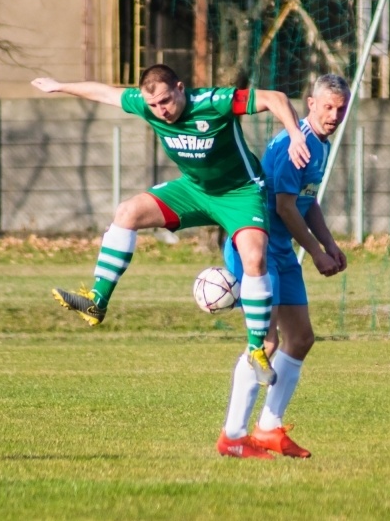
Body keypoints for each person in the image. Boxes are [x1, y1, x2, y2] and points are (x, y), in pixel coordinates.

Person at [31, 64, 310, 392]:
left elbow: (275, 98)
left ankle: (256, 350)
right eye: (153, 105)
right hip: (193, 190)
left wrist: (294, 135)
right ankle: (97, 301)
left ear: (180, 88)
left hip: (240, 193)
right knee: (127, 213)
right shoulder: (146, 104)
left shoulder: (213, 101)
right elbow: (104, 92)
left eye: (166, 100)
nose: (161, 110)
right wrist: (59, 85)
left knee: (254, 259)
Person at [217, 74, 351, 458]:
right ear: (310, 104)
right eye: (327, 107)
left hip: (283, 251)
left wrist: (329, 243)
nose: (334, 115)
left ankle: (268, 428)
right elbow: (284, 207)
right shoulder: (298, 143)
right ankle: (233, 436)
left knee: (302, 338)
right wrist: (317, 252)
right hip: (257, 248)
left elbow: (307, 200)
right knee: (268, 341)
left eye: (341, 108)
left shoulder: (320, 145)